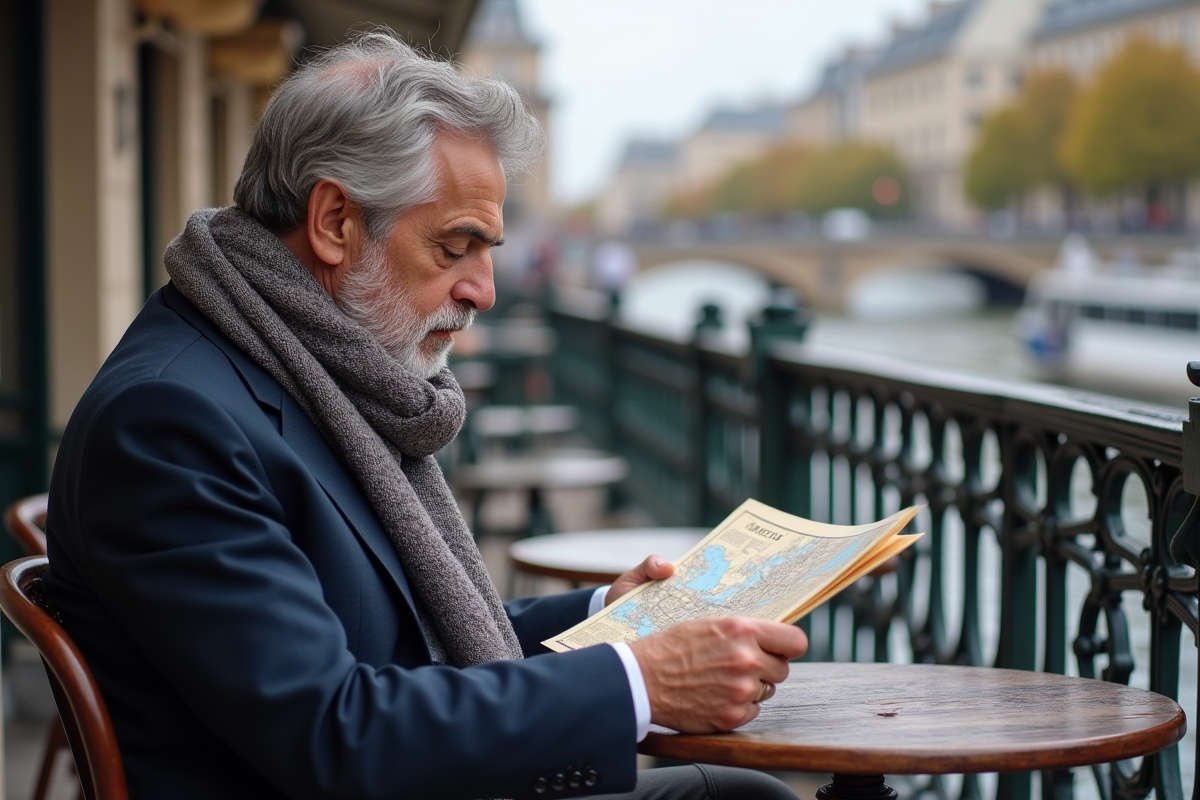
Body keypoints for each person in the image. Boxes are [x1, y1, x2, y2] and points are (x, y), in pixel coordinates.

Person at [43, 32, 807, 800]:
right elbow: (333, 734)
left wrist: (608, 616)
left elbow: (404, 630)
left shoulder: (293, 364)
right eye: (456, 247)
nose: (485, 289)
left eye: (489, 250)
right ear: (336, 221)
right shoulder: (169, 424)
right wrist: (637, 682)